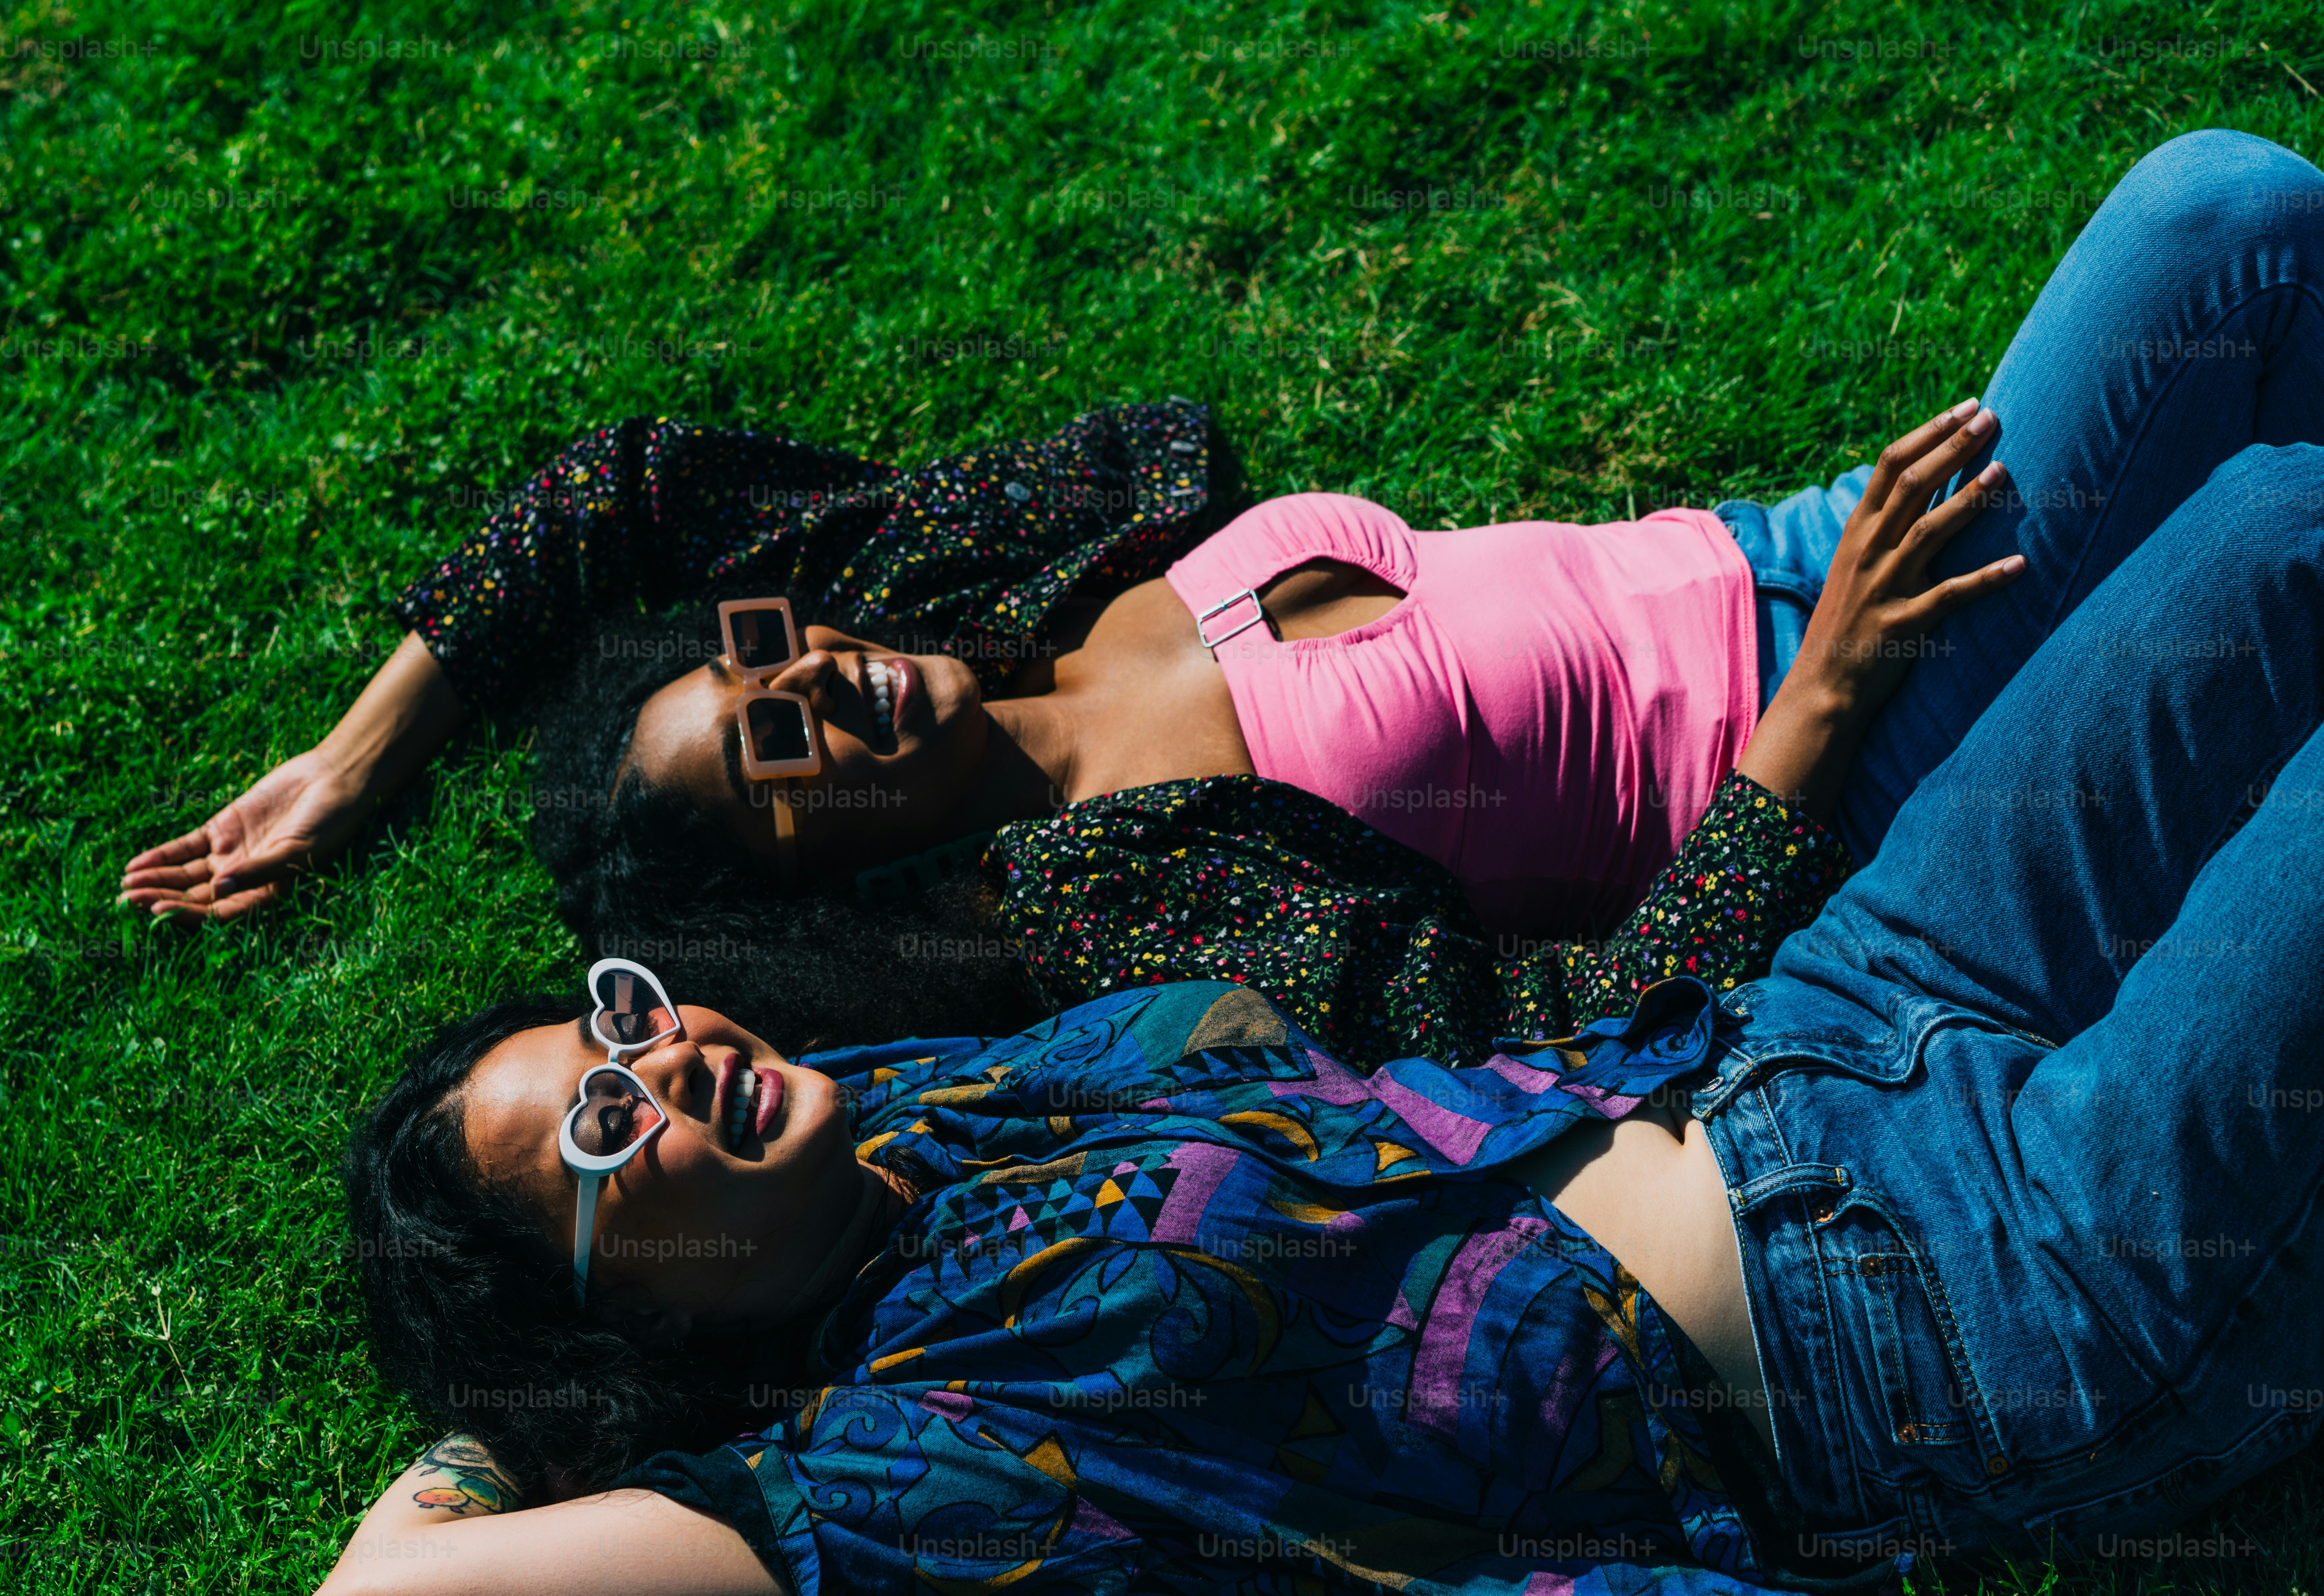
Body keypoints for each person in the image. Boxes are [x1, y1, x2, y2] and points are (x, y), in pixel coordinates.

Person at [304, 433, 2324, 1596]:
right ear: (612, 1311)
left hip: (1809, 1035)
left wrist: (389, 719)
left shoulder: (940, 1100)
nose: (659, 1065)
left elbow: (647, 494)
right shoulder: (909, 1454)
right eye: (598, 1123)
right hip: (1932, 1322)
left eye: (627, 1018)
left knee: (2272, 527)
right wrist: (544, 1420)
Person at [129, 129, 2324, 1066]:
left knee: (2273, 409)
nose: (823, 682)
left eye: (763, 662)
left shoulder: (1003, 580)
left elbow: (630, 486)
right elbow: (1562, 1035)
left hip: (1787, 536)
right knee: (2220, 226)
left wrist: (358, 746)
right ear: (812, 877)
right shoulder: (1114, 902)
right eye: (785, 752)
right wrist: (1815, 718)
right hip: (1864, 730)